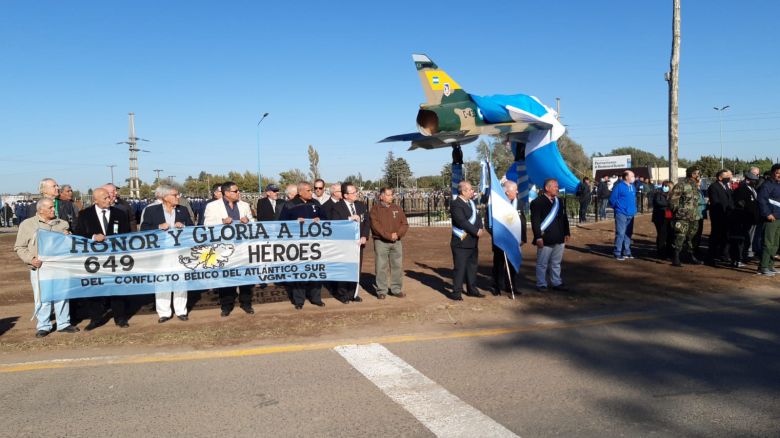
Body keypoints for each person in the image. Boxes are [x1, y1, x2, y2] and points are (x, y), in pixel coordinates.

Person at [14, 199, 80, 337]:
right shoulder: (27, 225)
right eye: (50, 208)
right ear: (40, 210)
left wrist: (69, 237)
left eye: (53, 207)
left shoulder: (62, 224)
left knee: (62, 295)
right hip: (40, 268)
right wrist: (31, 259)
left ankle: (63, 323)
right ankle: (44, 325)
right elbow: (19, 247)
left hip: (60, 267)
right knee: (43, 297)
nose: (53, 210)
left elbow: (70, 245)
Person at [75, 187, 132, 329]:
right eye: (105, 198)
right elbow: (78, 234)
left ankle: (120, 318)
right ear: (96, 200)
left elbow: (127, 234)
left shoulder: (119, 213)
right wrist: (93, 237)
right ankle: (96, 318)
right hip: (94, 259)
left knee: (117, 288)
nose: (109, 200)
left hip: (115, 259)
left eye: (109, 197)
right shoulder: (84, 214)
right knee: (95, 289)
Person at [140, 185, 193, 322]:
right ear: (165, 197)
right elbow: (144, 229)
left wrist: (184, 226)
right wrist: (158, 227)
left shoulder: (183, 210)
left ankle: (181, 310)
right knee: (162, 282)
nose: (178, 197)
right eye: (175, 195)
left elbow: (193, 228)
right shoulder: (151, 210)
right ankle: (164, 312)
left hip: (179, 252)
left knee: (181, 281)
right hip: (161, 253)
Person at [202, 181, 255, 316]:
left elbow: (253, 223)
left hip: (242, 246)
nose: (238, 193)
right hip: (223, 248)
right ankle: (226, 305)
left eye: (238, 191)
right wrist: (222, 221)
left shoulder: (244, 205)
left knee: (245, 276)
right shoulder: (212, 206)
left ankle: (246, 303)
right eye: (235, 191)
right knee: (226, 276)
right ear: (226, 193)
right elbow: (207, 225)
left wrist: (248, 221)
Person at [279, 181, 326, 308]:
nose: (312, 192)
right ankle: (299, 300)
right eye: (309, 190)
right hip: (297, 245)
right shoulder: (289, 205)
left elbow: (326, 218)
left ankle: (315, 298)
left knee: (315, 271)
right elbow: (281, 223)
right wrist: (294, 222)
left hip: (314, 245)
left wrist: (320, 220)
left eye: (312, 190)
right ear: (300, 192)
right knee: (300, 272)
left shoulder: (316, 203)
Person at [330, 182, 370, 303]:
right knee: (345, 268)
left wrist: (364, 236)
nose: (356, 194)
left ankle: (353, 293)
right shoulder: (337, 207)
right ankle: (342, 294)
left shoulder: (361, 205)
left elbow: (367, 221)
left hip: (358, 244)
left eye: (355, 191)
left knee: (356, 268)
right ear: (345, 195)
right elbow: (334, 224)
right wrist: (349, 219)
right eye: (353, 192)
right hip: (344, 245)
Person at [488, 180, 527, 296]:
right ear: (506, 192)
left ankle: (511, 286)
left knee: (512, 264)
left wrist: (523, 237)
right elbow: (488, 223)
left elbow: (522, 221)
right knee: (499, 265)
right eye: (515, 190)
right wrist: (497, 234)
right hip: (500, 240)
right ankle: (496, 286)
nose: (517, 192)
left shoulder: (519, 203)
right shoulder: (495, 204)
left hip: (514, 240)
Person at [530, 178, 570, 292]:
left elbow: (564, 218)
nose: (557, 188)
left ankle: (556, 282)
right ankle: (541, 283)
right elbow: (535, 221)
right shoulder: (537, 202)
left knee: (556, 262)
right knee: (542, 263)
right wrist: (538, 237)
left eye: (557, 186)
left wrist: (566, 232)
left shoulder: (559, 201)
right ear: (547, 188)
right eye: (555, 186)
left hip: (559, 236)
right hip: (545, 237)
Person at [369, 187, 409, 299]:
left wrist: (398, 234)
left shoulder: (397, 208)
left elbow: (404, 224)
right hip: (381, 241)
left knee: (397, 266)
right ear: (381, 196)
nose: (391, 196)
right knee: (381, 266)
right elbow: (376, 226)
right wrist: (388, 235)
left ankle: (396, 289)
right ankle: (382, 290)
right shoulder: (375, 209)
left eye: (391, 194)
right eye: (388, 194)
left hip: (396, 241)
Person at [449, 181, 484, 300]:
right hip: (461, 243)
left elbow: (478, 218)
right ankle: (456, 293)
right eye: (470, 189)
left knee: (472, 267)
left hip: (473, 242)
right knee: (460, 268)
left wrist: (480, 228)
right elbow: (461, 221)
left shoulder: (471, 203)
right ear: (463, 191)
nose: (472, 191)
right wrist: (476, 231)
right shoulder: (456, 204)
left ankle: (472, 290)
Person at [669, 167, 704, 267]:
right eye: (698, 174)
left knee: (691, 237)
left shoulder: (695, 186)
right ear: (692, 174)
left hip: (694, 216)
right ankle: (676, 257)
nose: (699, 176)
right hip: (682, 217)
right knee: (680, 236)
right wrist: (678, 213)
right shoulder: (681, 185)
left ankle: (690, 256)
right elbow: (673, 201)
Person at [728, 171, 761, 267]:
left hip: (750, 219)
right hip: (742, 219)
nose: (755, 182)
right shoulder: (742, 189)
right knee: (740, 240)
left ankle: (742, 257)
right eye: (754, 180)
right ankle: (737, 259)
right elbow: (740, 203)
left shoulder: (752, 189)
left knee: (746, 240)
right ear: (748, 180)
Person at [756, 163, 780, 276]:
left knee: (775, 243)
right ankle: (763, 266)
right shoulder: (767, 185)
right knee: (768, 243)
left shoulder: (778, 185)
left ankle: (770, 265)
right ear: (773, 173)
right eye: (777, 173)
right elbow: (761, 200)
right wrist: (767, 214)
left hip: (779, 218)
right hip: (771, 218)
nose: (779, 175)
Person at [707, 169, 734, 264]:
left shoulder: (726, 186)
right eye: (726, 176)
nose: (728, 178)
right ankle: (711, 257)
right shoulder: (713, 187)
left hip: (727, 215)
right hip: (718, 215)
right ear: (720, 177)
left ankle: (724, 255)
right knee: (716, 236)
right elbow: (715, 202)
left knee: (725, 236)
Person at [609, 170, 637, 260]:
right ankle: (617, 252)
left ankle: (627, 251)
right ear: (626, 177)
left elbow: (633, 198)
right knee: (620, 233)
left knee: (628, 233)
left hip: (631, 214)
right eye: (632, 176)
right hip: (621, 213)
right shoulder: (619, 186)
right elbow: (612, 199)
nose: (634, 178)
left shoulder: (633, 186)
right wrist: (618, 208)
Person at [651, 181, 674, 258]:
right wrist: (669, 203)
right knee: (662, 235)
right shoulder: (658, 193)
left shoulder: (670, 195)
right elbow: (658, 202)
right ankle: (661, 252)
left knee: (669, 235)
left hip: (668, 216)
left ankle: (668, 251)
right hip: (659, 217)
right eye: (666, 186)